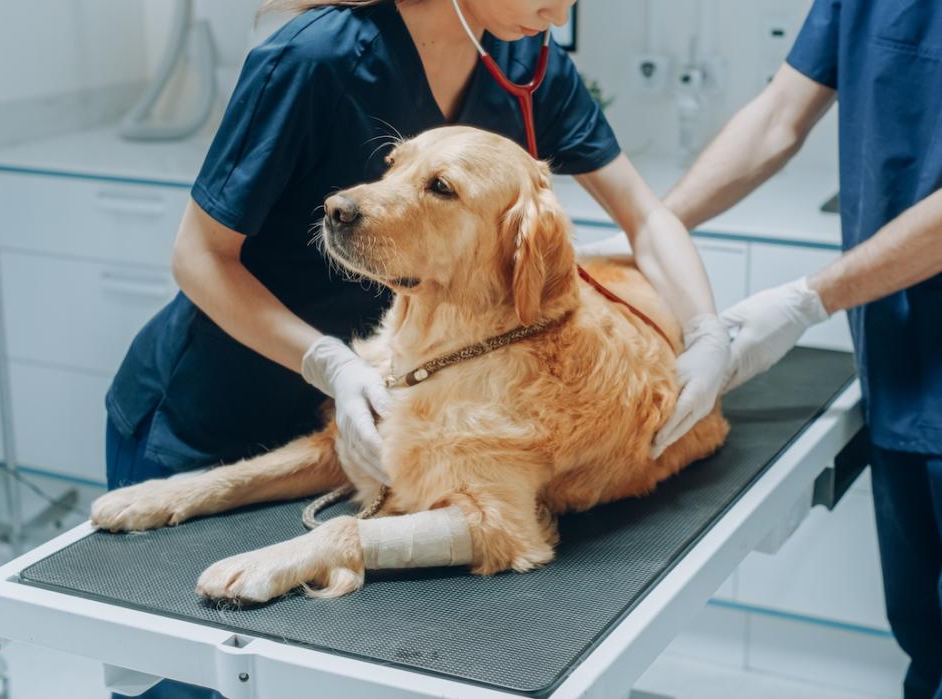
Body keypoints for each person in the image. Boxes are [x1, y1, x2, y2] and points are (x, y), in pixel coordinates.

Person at [104, 1, 729, 695]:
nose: (558, 10)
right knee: (185, 678)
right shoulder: (313, 61)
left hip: (362, 407)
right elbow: (198, 257)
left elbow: (644, 216)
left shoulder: (527, 59)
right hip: (211, 405)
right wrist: (330, 363)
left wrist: (707, 332)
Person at [662, 1, 942, 696]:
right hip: (903, 363)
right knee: (926, 636)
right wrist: (656, 230)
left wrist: (807, 297)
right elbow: (777, 117)